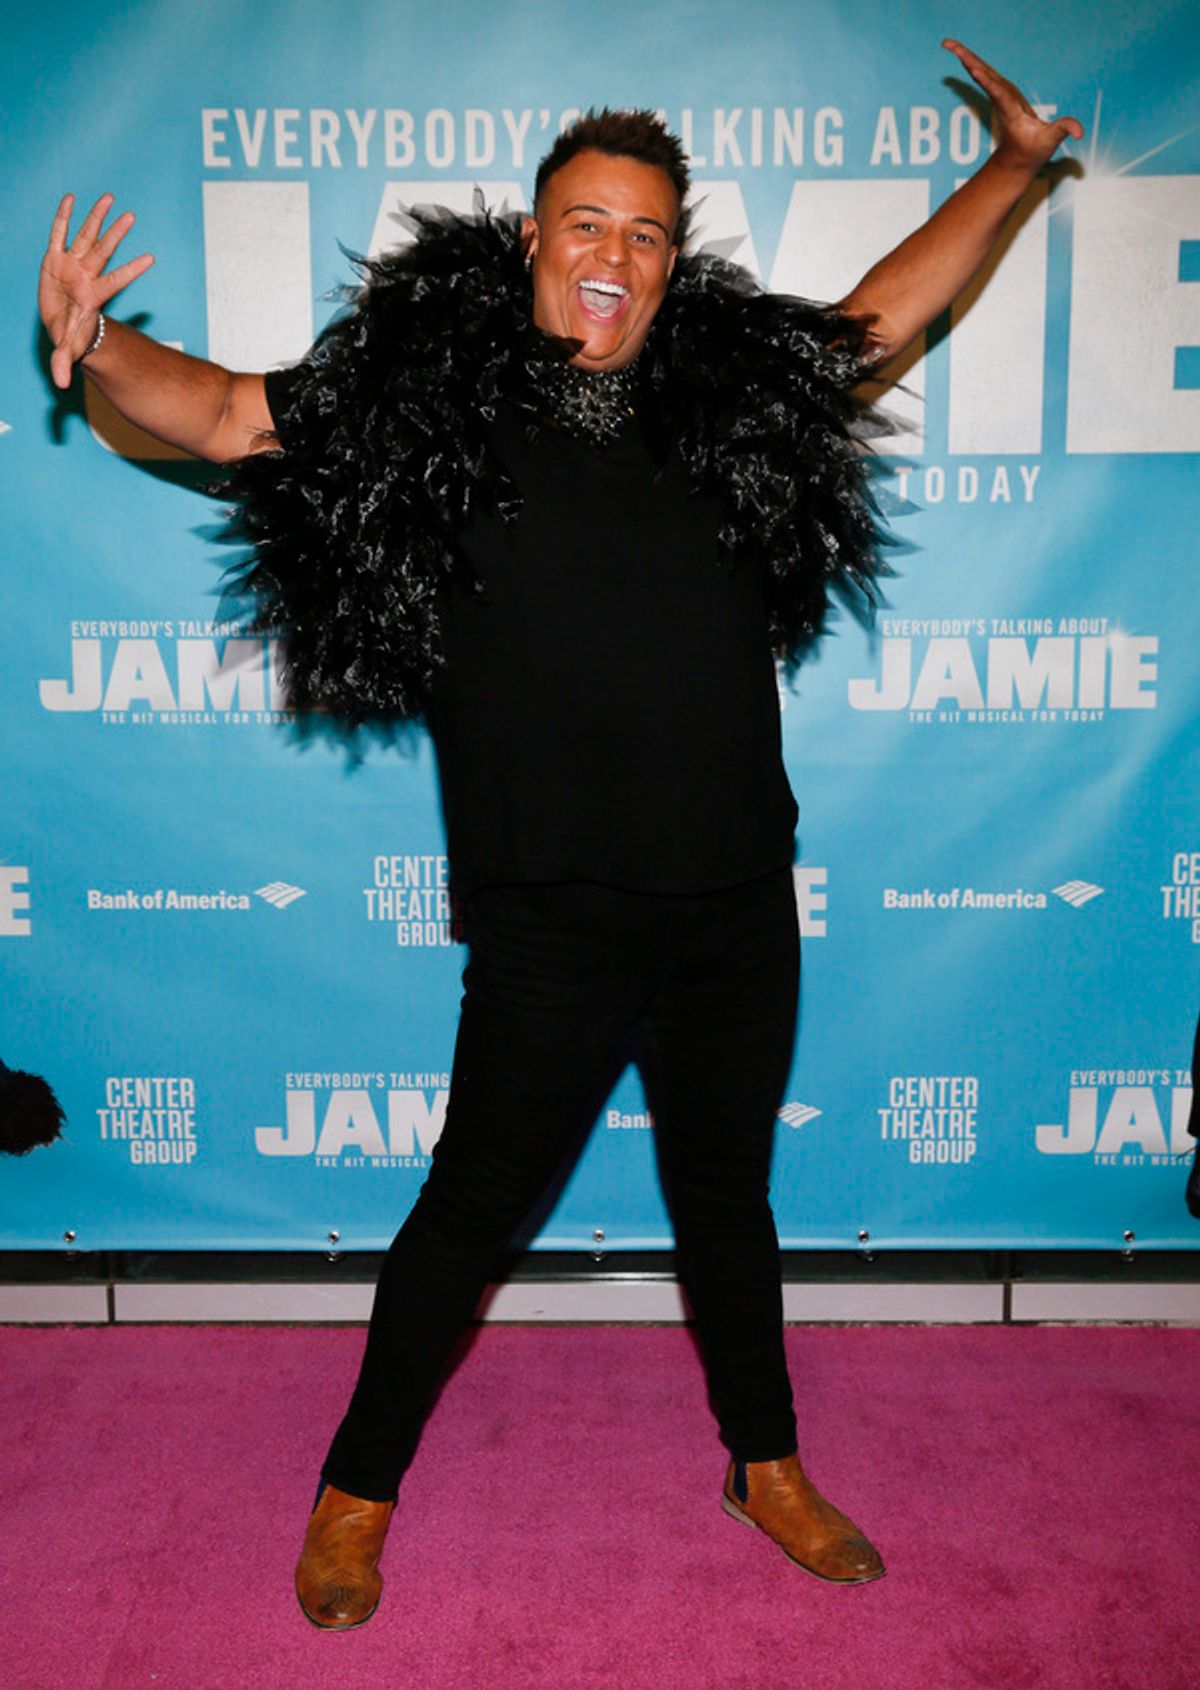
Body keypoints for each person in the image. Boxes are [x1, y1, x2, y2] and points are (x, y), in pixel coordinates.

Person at [40, 40, 1081, 1627]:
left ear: (679, 255)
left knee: (726, 1194)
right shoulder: (422, 403)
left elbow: (883, 308)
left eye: (649, 233)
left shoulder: (724, 397)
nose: (617, 258)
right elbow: (226, 414)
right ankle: (354, 1489)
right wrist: (101, 342)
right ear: (532, 237)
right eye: (588, 224)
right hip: (554, 915)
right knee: (468, 1210)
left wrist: (1012, 167)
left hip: (736, 895)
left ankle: (765, 1459)